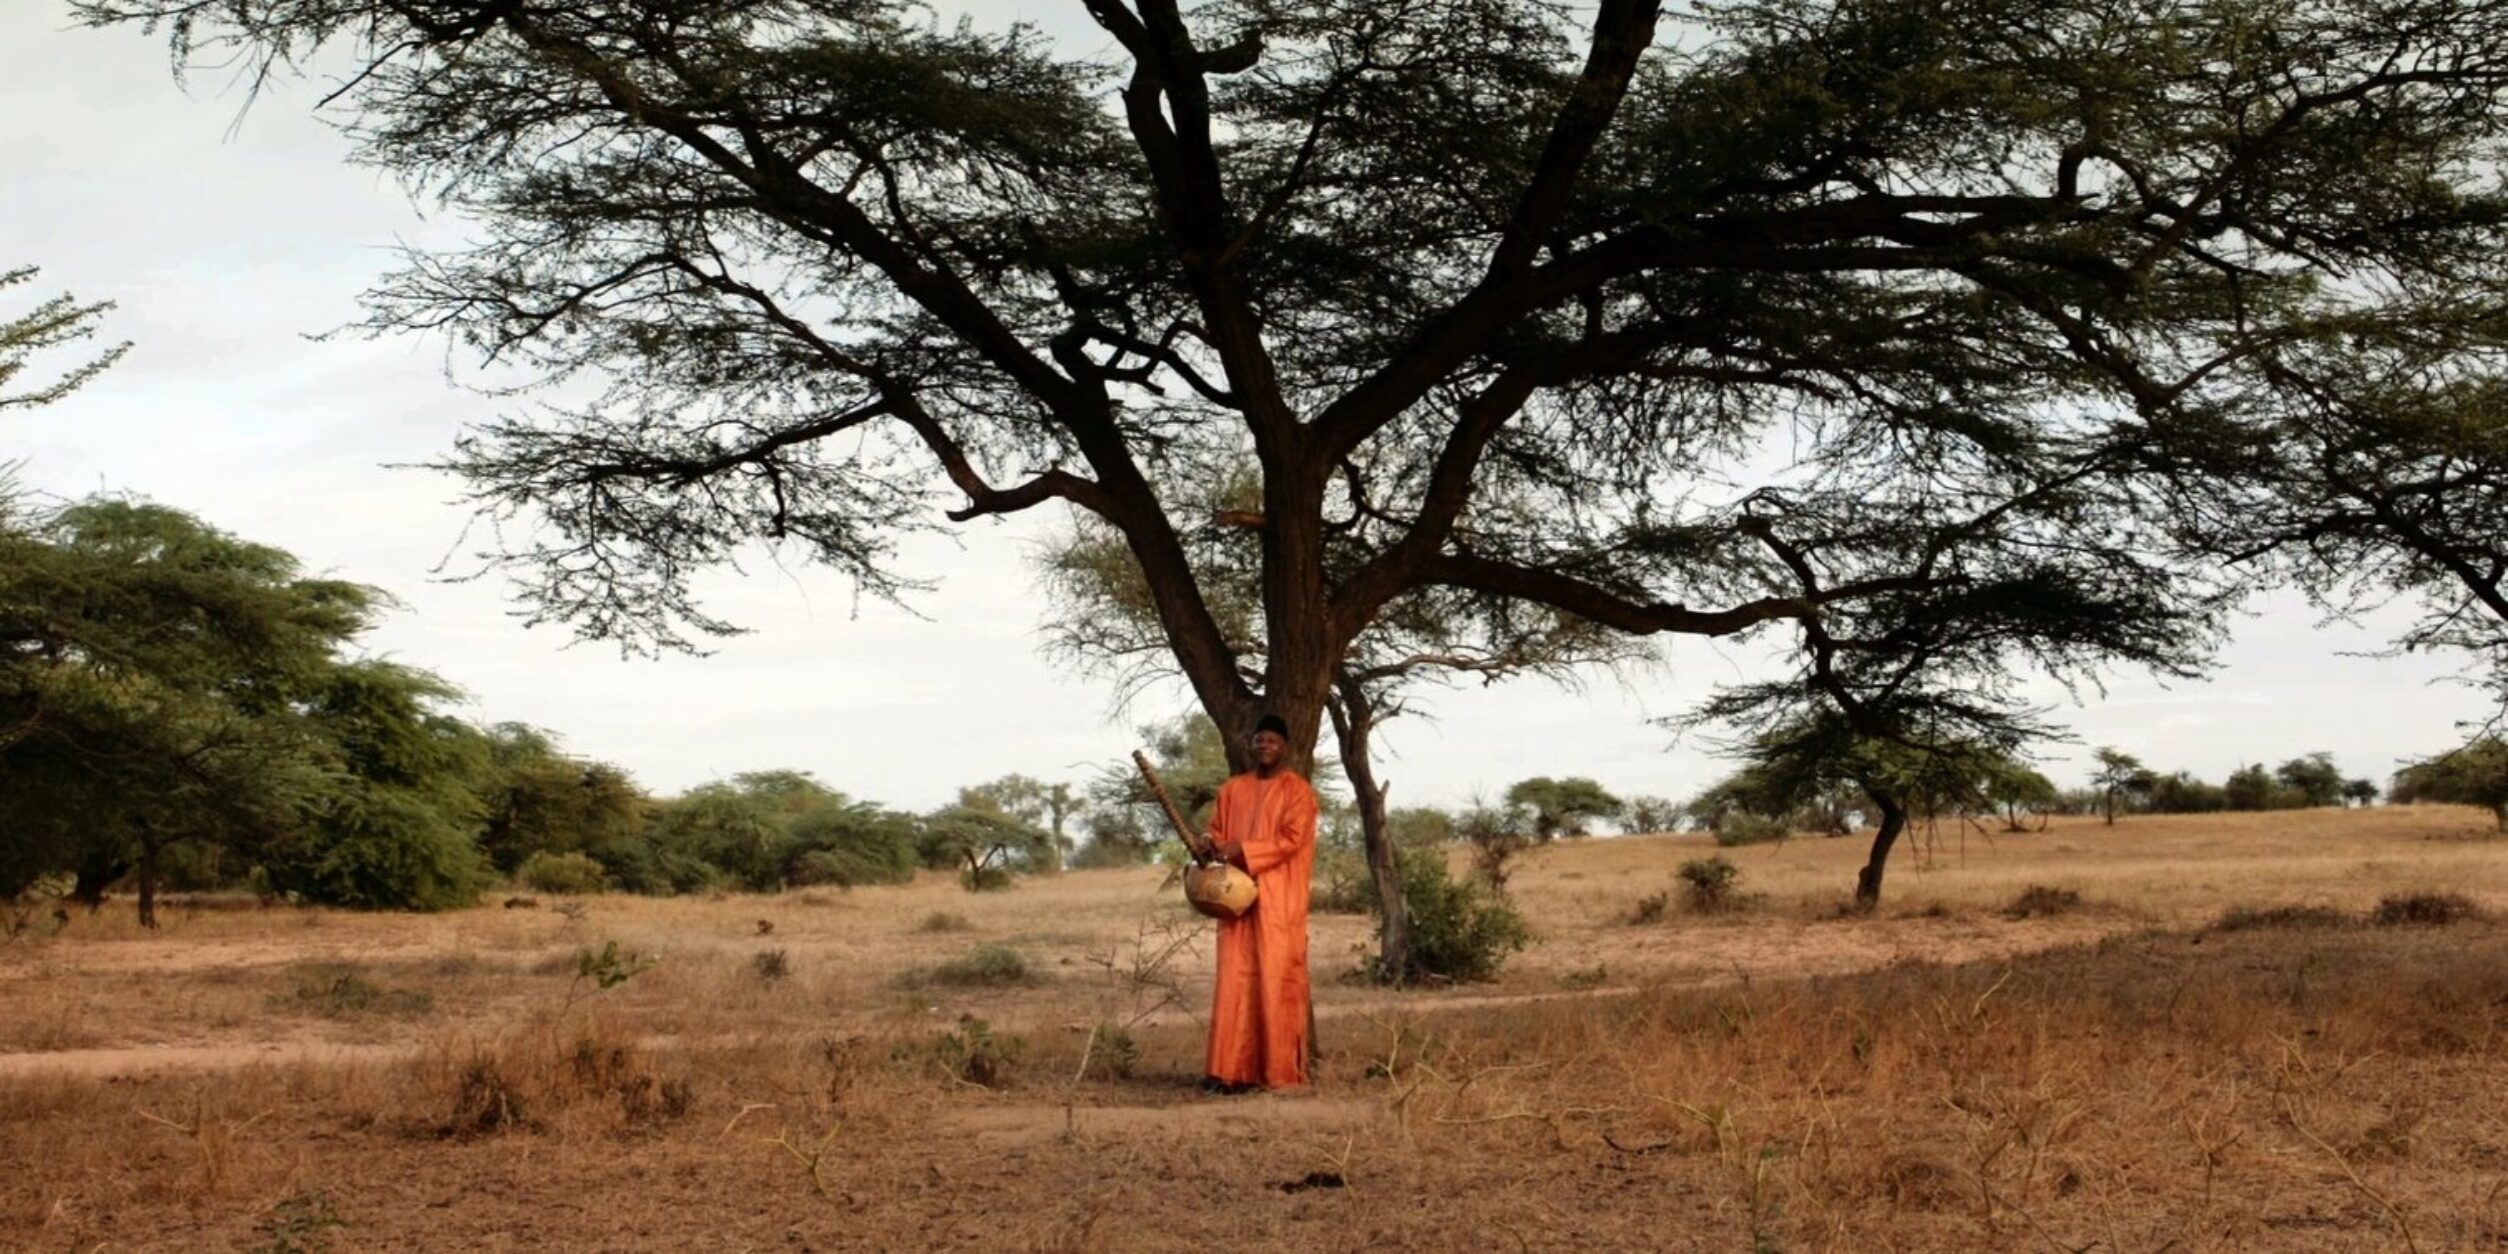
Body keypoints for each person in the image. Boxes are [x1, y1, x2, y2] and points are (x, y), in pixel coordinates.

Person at [1196, 712, 1318, 1093]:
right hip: (1234, 900)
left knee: (1275, 982)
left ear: (1285, 747)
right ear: (1251, 746)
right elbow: (1217, 832)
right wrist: (1209, 843)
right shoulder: (1232, 790)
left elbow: (1291, 840)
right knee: (1234, 982)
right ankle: (1227, 1072)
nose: (1265, 745)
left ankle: (1276, 1073)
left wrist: (1243, 849)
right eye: (1259, 739)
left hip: (1278, 901)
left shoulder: (1297, 791)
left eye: (1272, 740)